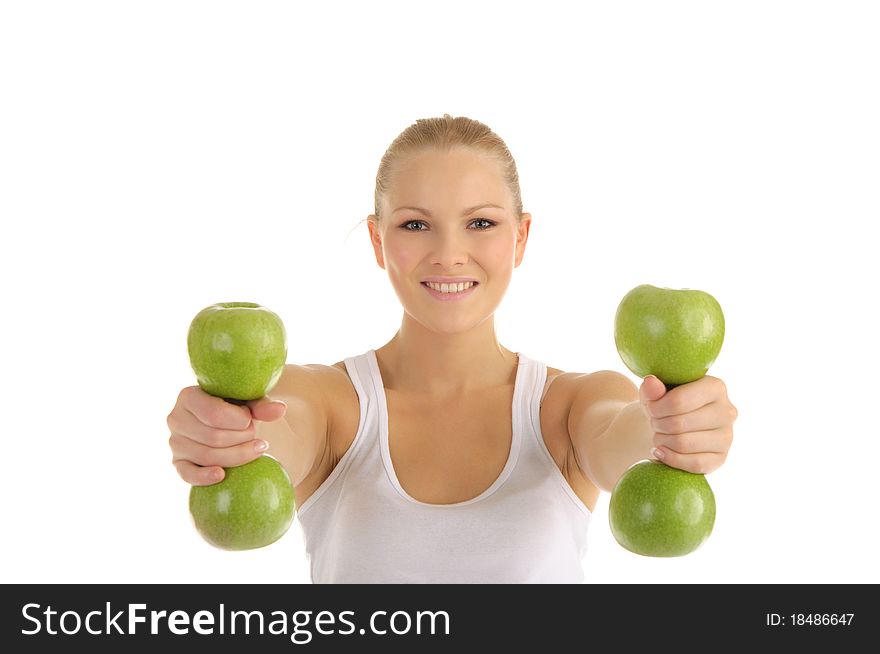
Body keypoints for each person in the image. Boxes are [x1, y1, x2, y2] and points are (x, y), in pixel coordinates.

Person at [167, 114, 737, 583]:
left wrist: (671, 428)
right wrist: (228, 435)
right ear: (377, 239)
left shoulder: (568, 406)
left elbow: (625, 436)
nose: (448, 254)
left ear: (520, 238)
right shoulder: (326, 402)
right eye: (416, 226)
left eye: (481, 223)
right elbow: (273, 436)